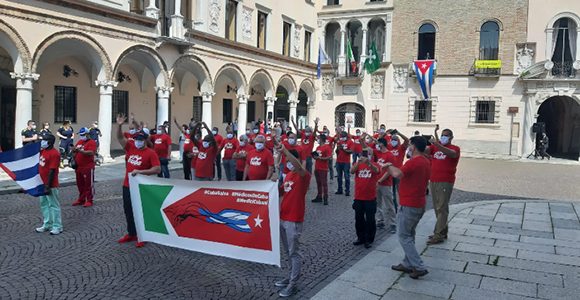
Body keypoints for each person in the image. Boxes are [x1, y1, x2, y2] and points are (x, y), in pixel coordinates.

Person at [385, 136, 431, 279]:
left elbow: (397, 173)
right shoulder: (426, 161)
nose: (408, 147)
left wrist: (388, 165)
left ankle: (418, 266)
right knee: (410, 235)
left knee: (404, 236)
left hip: (410, 204)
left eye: (410, 145)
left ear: (414, 147)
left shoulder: (414, 161)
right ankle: (407, 263)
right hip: (418, 203)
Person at [116, 114, 160, 248]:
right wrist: (119, 125)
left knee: (140, 211)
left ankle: (143, 235)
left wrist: (141, 172)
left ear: (145, 140)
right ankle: (132, 233)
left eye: (140, 139)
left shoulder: (150, 153)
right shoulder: (131, 147)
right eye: (136, 139)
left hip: (141, 187)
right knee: (128, 210)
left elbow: (157, 169)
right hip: (127, 185)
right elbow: (119, 138)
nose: (137, 141)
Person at [273, 145, 311, 298]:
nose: (287, 163)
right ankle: (290, 276)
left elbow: (297, 165)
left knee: (294, 252)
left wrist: (285, 152)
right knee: (288, 251)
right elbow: (281, 191)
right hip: (283, 217)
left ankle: (293, 284)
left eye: (288, 160)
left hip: (294, 219)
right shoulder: (288, 176)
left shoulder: (304, 175)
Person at [426, 126, 460, 245]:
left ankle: (438, 234)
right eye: (442, 135)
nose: (443, 137)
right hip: (433, 180)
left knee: (442, 208)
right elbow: (425, 150)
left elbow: (451, 153)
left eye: (446, 135)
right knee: (438, 207)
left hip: (446, 181)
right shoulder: (435, 147)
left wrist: (437, 144)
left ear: (451, 138)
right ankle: (443, 231)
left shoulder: (455, 148)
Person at [365, 136, 397, 233]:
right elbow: (368, 149)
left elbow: (389, 171)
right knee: (378, 203)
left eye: (378, 143)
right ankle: (380, 221)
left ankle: (393, 224)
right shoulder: (377, 153)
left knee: (389, 205)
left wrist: (380, 180)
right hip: (377, 183)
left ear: (382, 144)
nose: (376, 145)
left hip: (386, 184)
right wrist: (364, 139)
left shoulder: (390, 155)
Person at [35, 134, 63, 235]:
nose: (42, 141)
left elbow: (52, 170)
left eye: (44, 140)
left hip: (50, 184)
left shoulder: (54, 154)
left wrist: (48, 186)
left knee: (53, 205)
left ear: (50, 142)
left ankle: (57, 226)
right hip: (42, 183)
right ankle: (47, 224)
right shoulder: (44, 151)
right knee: (44, 205)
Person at [71, 127, 97, 207]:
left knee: (88, 184)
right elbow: (75, 151)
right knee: (80, 184)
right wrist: (74, 150)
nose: (81, 136)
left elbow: (91, 153)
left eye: (83, 135)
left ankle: (89, 200)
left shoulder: (92, 142)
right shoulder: (80, 141)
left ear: (87, 134)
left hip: (87, 167)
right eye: (80, 135)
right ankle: (81, 199)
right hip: (79, 167)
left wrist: (81, 151)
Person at [388, 129, 409, 212]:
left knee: (400, 191)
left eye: (395, 140)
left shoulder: (401, 148)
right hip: (389, 173)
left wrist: (399, 133)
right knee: (391, 193)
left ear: (398, 141)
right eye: (392, 140)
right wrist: (385, 134)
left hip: (399, 172)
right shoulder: (388, 147)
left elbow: (407, 140)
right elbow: (378, 142)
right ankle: (395, 209)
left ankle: (403, 208)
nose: (393, 141)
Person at [335, 131, 353, 196]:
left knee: (346, 176)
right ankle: (340, 190)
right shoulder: (340, 141)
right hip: (339, 161)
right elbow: (337, 151)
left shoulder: (350, 142)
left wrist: (343, 149)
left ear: (346, 136)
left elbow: (351, 151)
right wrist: (337, 149)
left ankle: (347, 191)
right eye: (341, 136)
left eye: (342, 136)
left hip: (346, 162)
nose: (341, 138)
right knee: (339, 177)